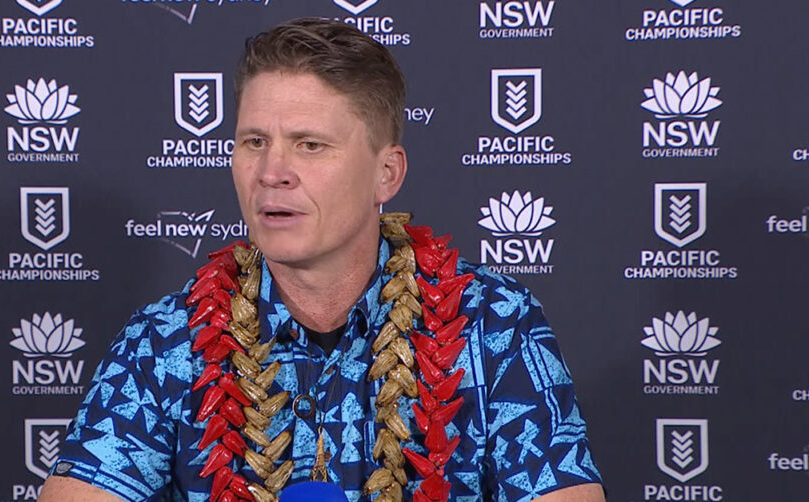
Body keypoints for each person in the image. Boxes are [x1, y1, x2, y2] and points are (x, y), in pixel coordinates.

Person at [39, 18, 605, 502]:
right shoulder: (165, 341)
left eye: (310, 145)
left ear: (388, 174)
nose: (271, 172)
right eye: (254, 141)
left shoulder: (493, 326)